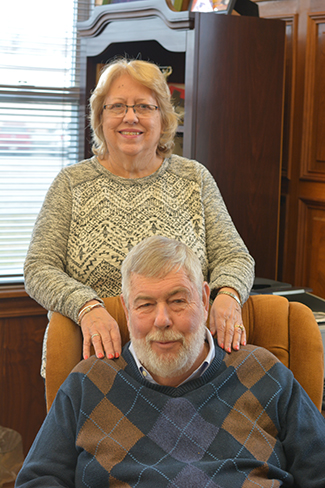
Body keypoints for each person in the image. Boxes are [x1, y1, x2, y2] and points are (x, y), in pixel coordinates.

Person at [16, 236, 325, 487]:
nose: (162, 320)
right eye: (146, 304)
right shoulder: (87, 384)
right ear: (126, 309)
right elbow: (37, 480)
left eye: (178, 301)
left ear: (205, 300)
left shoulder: (265, 373)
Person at [24, 58, 254, 380]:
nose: (130, 117)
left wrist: (228, 293)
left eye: (144, 107)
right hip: (96, 362)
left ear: (163, 117)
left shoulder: (194, 178)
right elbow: (38, 268)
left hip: (186, 367)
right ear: (100, 118)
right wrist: (86, 306)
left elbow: (234, 256)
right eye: (116, 106)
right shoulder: (71, 184)